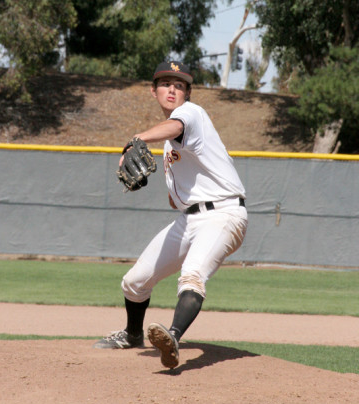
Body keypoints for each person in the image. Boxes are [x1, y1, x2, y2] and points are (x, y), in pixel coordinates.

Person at [94, 60, 248, 369]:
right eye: (165, 83)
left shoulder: (191, 114)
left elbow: (176, 125)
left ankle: (173, 337)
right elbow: (175, 198)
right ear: (153, 91)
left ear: (187, 93)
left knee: (192, 275)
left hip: (224, 215)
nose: (172, 89)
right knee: (134, 282)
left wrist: (136, 139)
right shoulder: (168, 148)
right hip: (189, 219)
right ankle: (133, 334)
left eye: (179, 85)